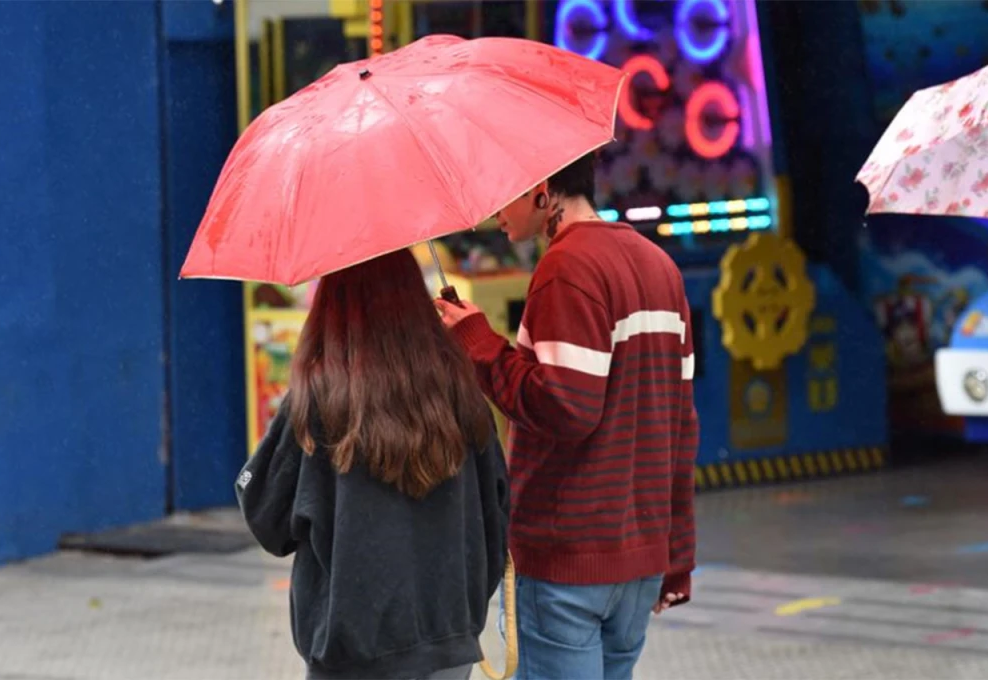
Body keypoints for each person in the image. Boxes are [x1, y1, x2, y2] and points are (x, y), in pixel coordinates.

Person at [435, 153, 699, 680]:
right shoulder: (659, 267)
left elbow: (567, 407)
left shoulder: (566, 267)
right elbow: (680, 425)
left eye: (502, 192)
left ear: (543, 188)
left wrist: (480, 345)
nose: (493, 213)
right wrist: (677, 552)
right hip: (638, 560)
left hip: (569, 561)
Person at [236, 249, 510, 680]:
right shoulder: (458, 387)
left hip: (353, 652)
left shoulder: (321, 395)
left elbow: (268, 519)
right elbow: (496, 508)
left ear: (331, 303)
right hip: (449, 644)